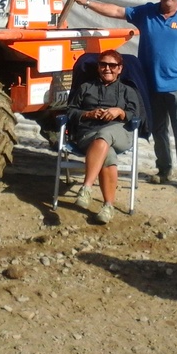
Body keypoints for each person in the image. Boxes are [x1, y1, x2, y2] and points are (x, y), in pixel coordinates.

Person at [75, 0, 177, 193]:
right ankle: (164, 170)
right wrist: (86, 2)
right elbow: (117, 11)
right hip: (150, 86)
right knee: (157, 130)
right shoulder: (146, 12)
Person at [66, 49, 141, 224]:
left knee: (105, 134)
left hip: (120, 133)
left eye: (112, 65)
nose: (107, 68)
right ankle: (108, 207)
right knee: (107, 151)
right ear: (98, 67)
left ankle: (86, 188)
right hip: (88, 133)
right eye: (103, 64)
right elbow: (70, 111)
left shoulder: (127, 91)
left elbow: (135, 114)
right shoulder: (86, 87)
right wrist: (89, 114)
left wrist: (119, 111)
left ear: (120, 69)